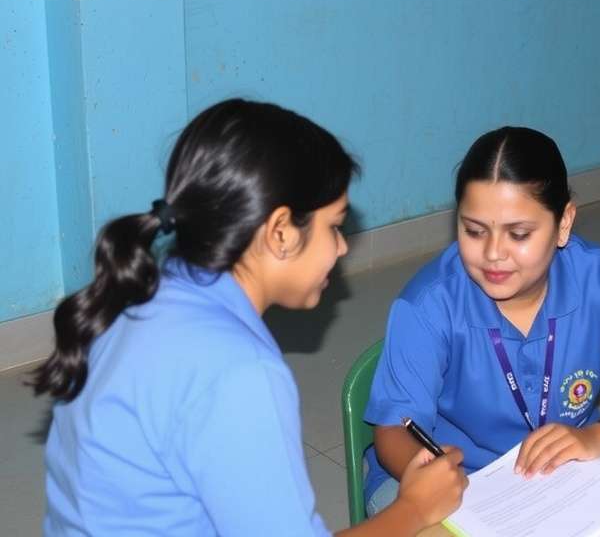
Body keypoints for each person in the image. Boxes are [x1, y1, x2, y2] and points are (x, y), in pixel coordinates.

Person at [30, 99, 467, 536]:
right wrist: (412, 507)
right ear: (280, 232)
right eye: (334, 227)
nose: (341, 248)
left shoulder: (139, 300)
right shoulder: (240, 372)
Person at [363, 126, 600, 515]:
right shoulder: (427, 305)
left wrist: (598, 437)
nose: (493, 254)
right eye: (473, 231)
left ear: (564, 223)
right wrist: (432, 476)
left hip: (566, 471)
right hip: (455, 482)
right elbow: (392, 432)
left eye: (518, 234)